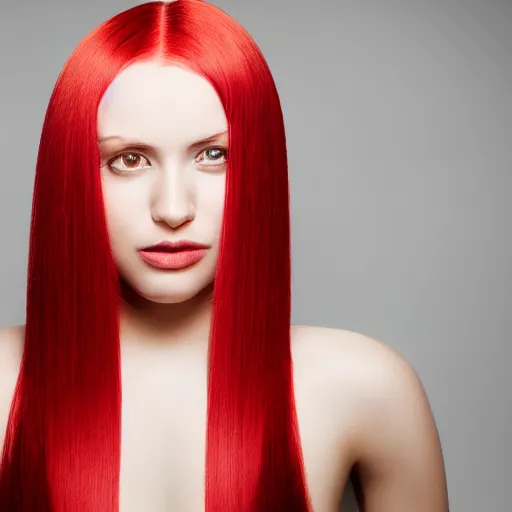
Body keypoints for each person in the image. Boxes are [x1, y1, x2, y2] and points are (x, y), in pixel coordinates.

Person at [0, 1, 449, 511]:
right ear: (72, 173)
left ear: (261, 166)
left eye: (214, 155)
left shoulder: (366, 389)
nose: (172, 209)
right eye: (129, 159)